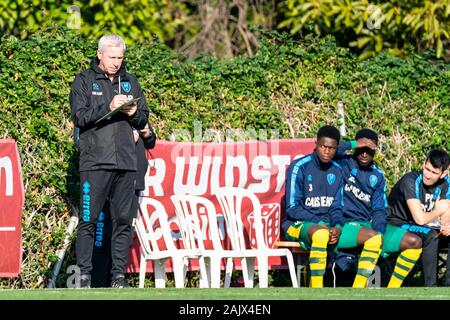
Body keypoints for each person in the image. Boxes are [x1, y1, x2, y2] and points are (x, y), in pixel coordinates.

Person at [70, 34, 150, 288]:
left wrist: (135, 112)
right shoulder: (84, 81)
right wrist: (108, 105)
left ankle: (118, 277)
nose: (116, 62)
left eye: (120, 57)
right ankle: (83, 277)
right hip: (95, 163)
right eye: (112, 57)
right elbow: (80, 117)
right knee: (88, 220)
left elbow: (144, 117)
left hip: (126, 163)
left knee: (123, 222)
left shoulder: (130, 82)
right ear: (100, 54)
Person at [334, 129, 422, 288]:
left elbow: (379, 210)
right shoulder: (342, 163)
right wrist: (354, 143)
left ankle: (391, 291)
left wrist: (380, 233)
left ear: (375, 150)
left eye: (369, 150)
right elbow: (327, 146)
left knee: (414, 241)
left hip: (369, 226)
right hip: (345, 224)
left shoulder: (378, 175)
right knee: (371, 238)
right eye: (361, 149)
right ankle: (357, 290)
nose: (365, 154)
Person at [91, 123, 156, 288]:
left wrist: (147, 133)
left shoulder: (137, 111)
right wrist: (123, 139)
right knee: (103, 232)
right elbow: (83, 141)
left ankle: (117, 279)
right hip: (108, 177)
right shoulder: (102, 107)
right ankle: (97, 283)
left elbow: (151, 142)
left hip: (133, 179)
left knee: (123, 229)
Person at [282, 125, 344, 288]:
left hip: (325, 225)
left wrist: (337, 226)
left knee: (367, 237)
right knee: (322, 234)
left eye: (332, 148)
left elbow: (337, 207)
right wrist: (319, 222)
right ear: (316, 144)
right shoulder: (299, 166)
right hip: (295, 225)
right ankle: (317, 289)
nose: (327, 151)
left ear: (336, 149)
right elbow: (292, 207)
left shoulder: (338, 171)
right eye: (323, 146)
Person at [387, 149, 450, 286]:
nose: (428, 175)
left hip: (419, 226)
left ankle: (448, 286)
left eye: (434, 173)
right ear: (423, 164)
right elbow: (420, 219)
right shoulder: (411, 180)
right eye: (426, 169)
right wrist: (439, 209)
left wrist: (446, 224)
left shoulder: (446, 183)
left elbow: (446, 212)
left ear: (443, 173)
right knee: (431, 235)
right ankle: (431, 287)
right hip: (396, 222)